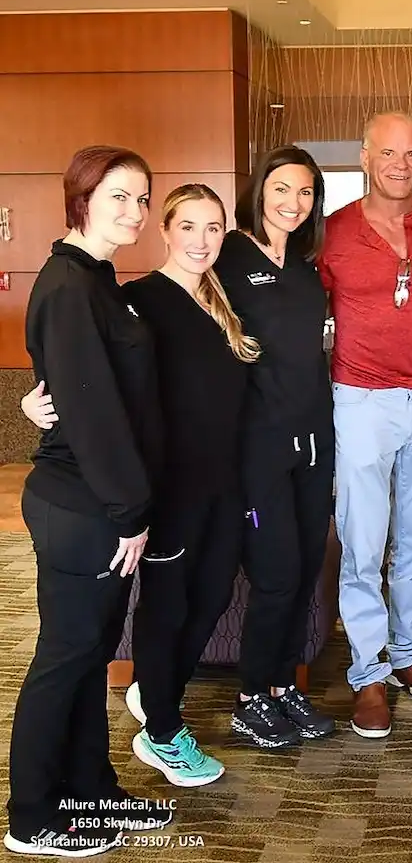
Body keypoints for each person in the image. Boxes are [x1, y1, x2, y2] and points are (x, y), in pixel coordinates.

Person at [20, 184, 259, 787]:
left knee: (211, 599)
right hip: (169, 487)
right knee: (168, 608)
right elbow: (90, 379)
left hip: (224, 486)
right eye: (188, 228)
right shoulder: (138, 301)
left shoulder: (221, 300)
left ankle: (159, 696)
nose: (201, 241)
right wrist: (35, 400)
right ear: (166, 231)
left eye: (213, 229)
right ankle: (161, 727)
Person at [5, 146, 171, 857]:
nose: (134, 212)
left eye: (141, 198)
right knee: (64, 659)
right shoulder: (70, 285)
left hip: (97, 501)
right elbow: (92, 413)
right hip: (85, 507)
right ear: (80, 200)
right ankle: (34, 816)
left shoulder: (97, 279)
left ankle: (89, 793)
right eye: (118, 198)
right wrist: (130, 512)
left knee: (90, 655)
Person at [318, 112, 412, 738]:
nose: (400, 164)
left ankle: (407, 656)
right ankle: (367, 673)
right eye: (388, 152)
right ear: (364, 156)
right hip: (360, 399)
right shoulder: (330, 234)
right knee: (363, 544)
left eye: (411, 153)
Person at [213, 146, 336, 749]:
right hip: (259, 446)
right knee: (276, 571)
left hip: (314, 442)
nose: (293, 202)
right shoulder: (229, 255)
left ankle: (286, 685)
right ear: (260, 189)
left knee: (306, 566)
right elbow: (168, 313)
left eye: (306, 192)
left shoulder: (307, 266)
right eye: (282, 189)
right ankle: (250, 696)